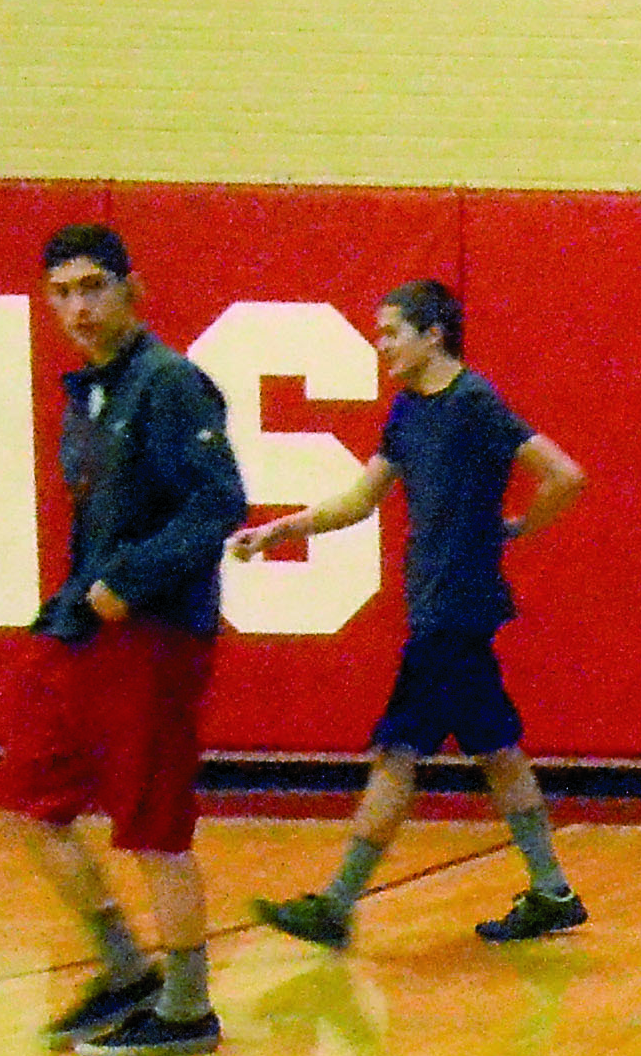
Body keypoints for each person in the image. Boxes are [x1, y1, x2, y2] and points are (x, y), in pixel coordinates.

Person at [236, 278, 593, 949]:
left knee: (398, 752)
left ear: (433, 334)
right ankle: (552, 891)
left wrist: (517, 526)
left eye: (392, 331)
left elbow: (565, 474)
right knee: (497, 752)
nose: (382, 345)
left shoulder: (474, 403)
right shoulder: (407, 412)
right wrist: (280, 531)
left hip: (452, 610)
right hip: (442, 606)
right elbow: (360, 499)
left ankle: (337, 903)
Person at [0, 224, 250, 1056]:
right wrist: (78, 599)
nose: (78, 305)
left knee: (150, 823)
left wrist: (128, 581)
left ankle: (186, 1007)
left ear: (131, 289)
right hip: (82, 624)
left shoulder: (171, 384)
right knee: (32, 795)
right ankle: (123, 966)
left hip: (154, 633)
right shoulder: (90, 390)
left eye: (93, 287)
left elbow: (217, 505)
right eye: (62, 291)